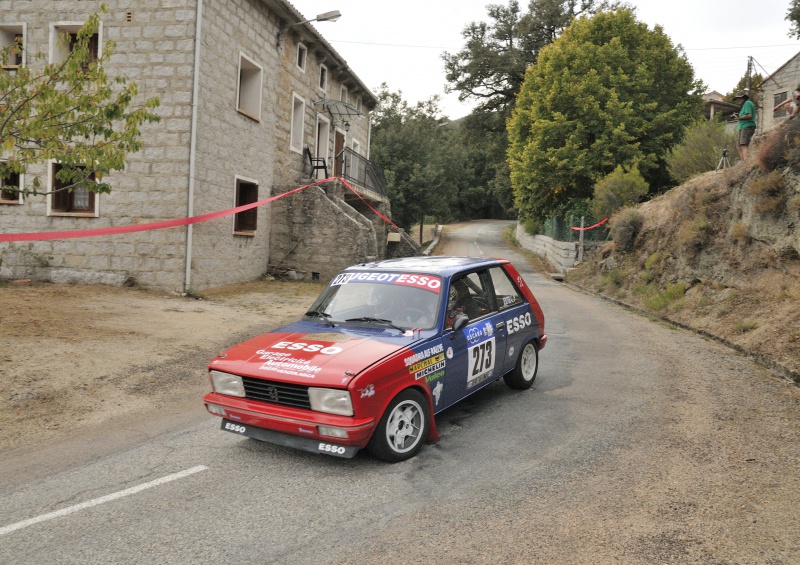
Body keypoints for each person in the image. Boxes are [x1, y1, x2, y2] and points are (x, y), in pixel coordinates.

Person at [733, 92, 756, 161]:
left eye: (739, 98)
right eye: (736, 99)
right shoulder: (744, 106)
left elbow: (749, 115)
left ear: (744, 98)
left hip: (747, 126)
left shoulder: (747, 103)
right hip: (743, 127)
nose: (737, 100)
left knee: (743, 145)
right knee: (739, 146)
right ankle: (743, 163)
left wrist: (738, 118)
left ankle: (746, 163)